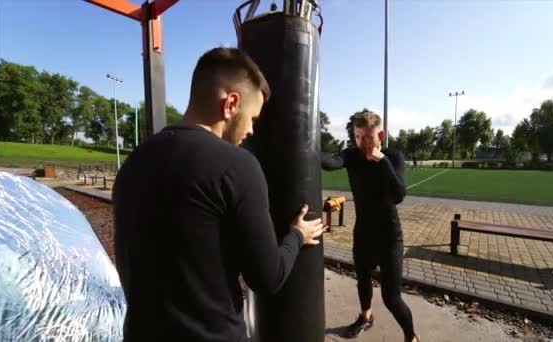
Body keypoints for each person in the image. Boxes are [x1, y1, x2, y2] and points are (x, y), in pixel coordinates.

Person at [112, 47, 325, 342]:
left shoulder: (134, 163)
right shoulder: (237, 166)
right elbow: (268, 277)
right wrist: (296, 236)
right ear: (231, 104)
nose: (251, 129)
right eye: (253, 117)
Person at [322, 112, 419, 342]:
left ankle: (411, 337)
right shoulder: (352, 156)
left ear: (381, 135)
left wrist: (382, 162)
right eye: (358, 137)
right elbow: (330, 162)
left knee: (392, 298)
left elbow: (398, 195)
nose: (363, 143)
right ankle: (366, 317)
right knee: (363, 280)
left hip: (389, 237)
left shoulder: (393, 157)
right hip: (363, 235)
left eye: (368, 137)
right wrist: (305, 145)